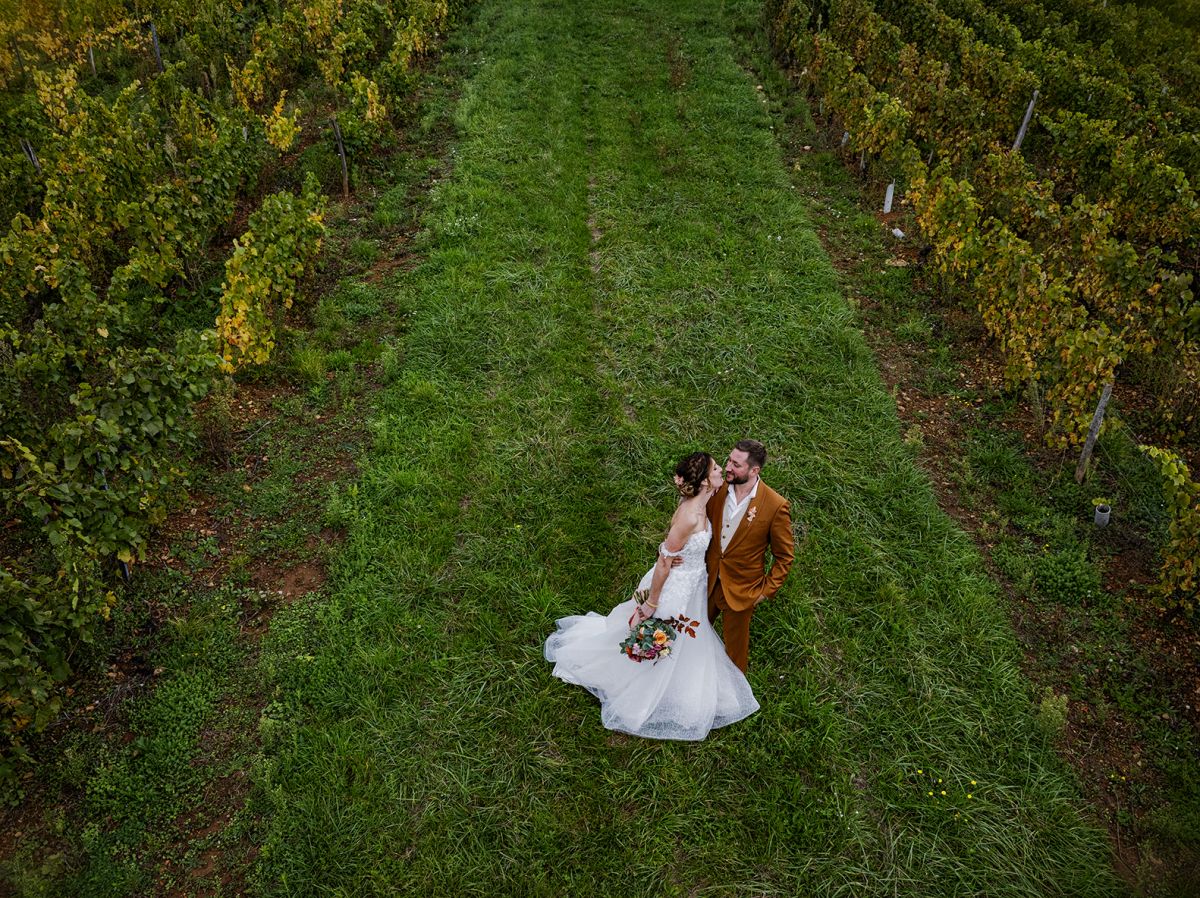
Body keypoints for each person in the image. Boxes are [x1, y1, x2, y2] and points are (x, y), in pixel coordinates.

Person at [543, 452, 759, 740]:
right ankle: (642, 689)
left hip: (693, 584)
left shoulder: (701, 503)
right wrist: (653, 602)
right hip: (673, 589)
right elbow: (663, 563)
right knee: (666, 636)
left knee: (689, 639)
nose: (722, 470)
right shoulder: (690, 516)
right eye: (717, 468)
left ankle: (680, 684)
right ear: (706, 481)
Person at [705, 439, 794, 673]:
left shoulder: (775, 505)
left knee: (734, 655)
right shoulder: (718, 488)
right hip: (707, 577)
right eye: (729, 460)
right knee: (692, 633)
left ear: (755, 470)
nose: (728, 467)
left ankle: (733, 700)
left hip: (743, 589)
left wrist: (766, 591)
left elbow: (785, 557)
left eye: (736, 464)